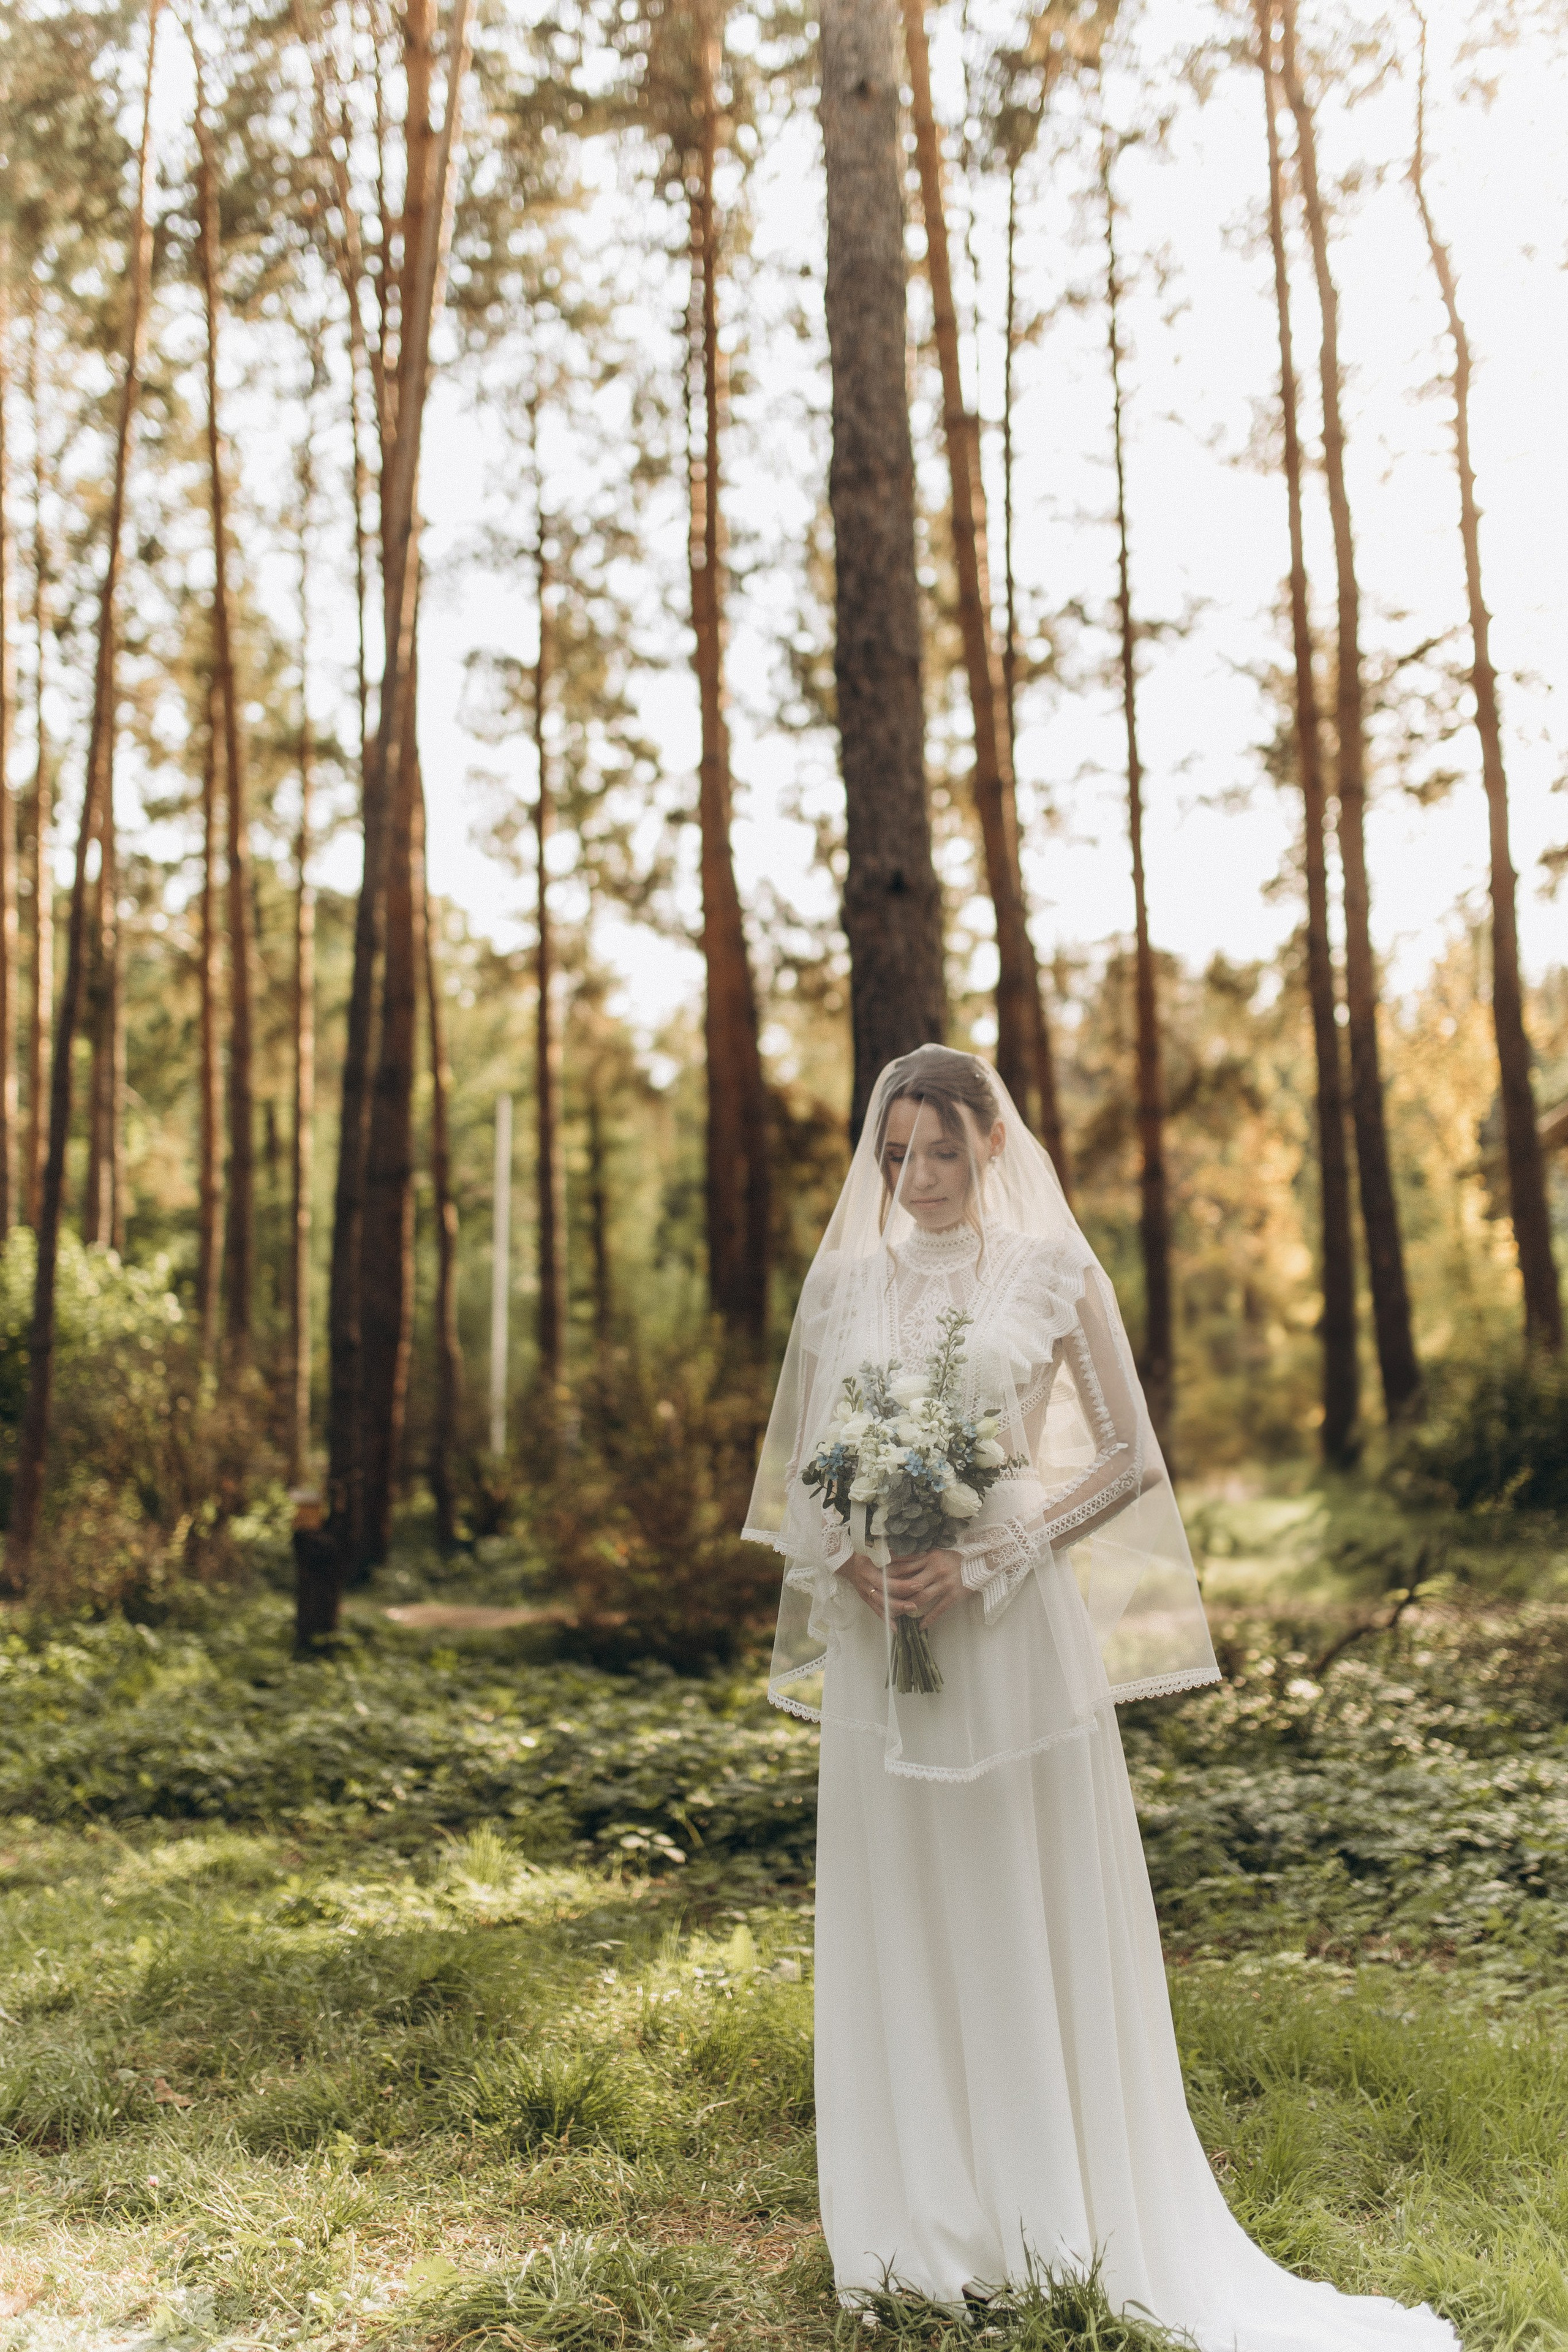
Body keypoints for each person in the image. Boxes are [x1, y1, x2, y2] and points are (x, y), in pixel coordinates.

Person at [744, 1046, 1457, 2350]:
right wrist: (851, 1558)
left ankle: (1049, 2207)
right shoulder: (845, 1283)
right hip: (878, 1639)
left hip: (1007, 1624)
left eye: (944, 1150)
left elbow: (1126, 1454)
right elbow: (799, 1466)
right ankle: (919, 2216)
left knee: (1017, 1886)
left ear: (992, 1147)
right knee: (901, 1893)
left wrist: (988, 1553)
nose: (920, 1178)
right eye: (897, 1153)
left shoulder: (1051, 1272)